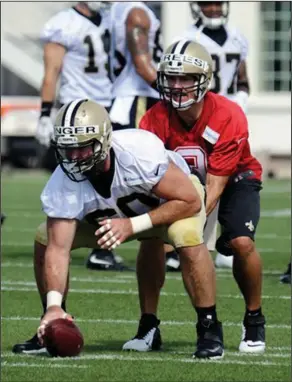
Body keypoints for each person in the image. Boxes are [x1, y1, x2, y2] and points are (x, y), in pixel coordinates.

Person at [12, 99, 224, 359]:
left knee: (187, 236)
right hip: (113, 221)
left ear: (103, 142)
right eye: (67, 150)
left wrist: (132, 225)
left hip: (170, 206)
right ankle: (53, 323)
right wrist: (53, 305)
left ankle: (209, 329)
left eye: (82, 149)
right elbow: (58, 249)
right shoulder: (63, 181)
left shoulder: (138, 151)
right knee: (45, 236)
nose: (74, 158)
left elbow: (190, 200)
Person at [126, 40, 266, 354]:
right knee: (150, 239)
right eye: (171, 78)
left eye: (185, 78)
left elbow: (214, 188)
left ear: (203, 79)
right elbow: (150, 177)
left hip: (233, 179)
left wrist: (188, 232)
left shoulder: (228, 114)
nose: (176, 86)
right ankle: (148, 324)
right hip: (180, 186)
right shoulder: (153, 119)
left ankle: (254, 317)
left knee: (240, 242)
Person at [36, 1, 128, 271]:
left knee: (111, 182)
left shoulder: (110, 18)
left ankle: (103, 247)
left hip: (108, 109)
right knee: (80, 182)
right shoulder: (63, 23)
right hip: (77, 111)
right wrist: (44, 113)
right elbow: (51, 72)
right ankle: (78, 244)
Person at [166, 1, 251, 270]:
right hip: (197, 113)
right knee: (192, 175)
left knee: (229, 176)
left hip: (228, 116)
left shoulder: (238, 37)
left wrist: (243, 96)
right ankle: (177, 242)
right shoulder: (186, 39)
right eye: (207, 3)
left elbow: (242, 77)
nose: (213, 9)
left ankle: (226, 240)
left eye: (217, 3)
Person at [86, 0, 163, 269]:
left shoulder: (115, 11)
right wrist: (174, 91)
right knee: (146, 173)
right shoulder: (136, 12)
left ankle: (105, 247)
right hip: (137, 99)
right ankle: (106, 248)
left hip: (124, 98)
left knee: (119, 176)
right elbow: (142, 65)